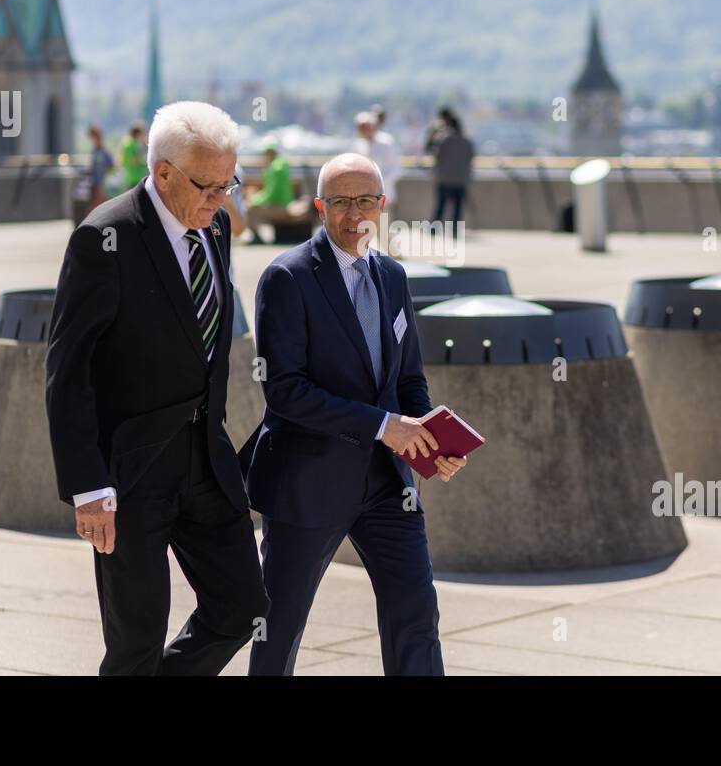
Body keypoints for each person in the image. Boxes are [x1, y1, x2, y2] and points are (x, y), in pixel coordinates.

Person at [46, 100, 268, 676]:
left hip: (207, 466)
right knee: (135, 643)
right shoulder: (104, 237)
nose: (222, 200)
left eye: (230, 183)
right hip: (132, 474)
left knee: (242, 607)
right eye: (208, 185)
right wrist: (88, 485)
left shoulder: (212, 225)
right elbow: (67, 373)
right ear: (163, 172)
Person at [239, 153, 467, 676]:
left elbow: (407, 379)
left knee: (416, 613)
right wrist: (387, 426)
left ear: (382, 206)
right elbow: (285, 393)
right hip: (306, 481)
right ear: (319, 207)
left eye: (365, 200)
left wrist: (431, 437)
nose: (353, 213)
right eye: (340, 201)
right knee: (280, 629)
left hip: (387, 483)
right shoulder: (286, 278)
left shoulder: (392, 275)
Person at [426, 107, 474, 230]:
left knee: (441, 205)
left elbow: (436, 155)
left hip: (445, 178)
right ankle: (454, 230)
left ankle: (434, 229)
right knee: (457, 207)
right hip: (461, 178)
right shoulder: (467, 141)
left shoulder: (443, 139)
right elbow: (470, 158)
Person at [243, 141, 296, 244]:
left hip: (280, 206)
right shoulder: (279, 166)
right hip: (284, 203)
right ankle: (258, 237)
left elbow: (271, 195)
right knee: (249, 207)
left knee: (247, 209)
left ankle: (257, 238)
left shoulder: (275, 169)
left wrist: (253, 200)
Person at [353, 110, 402, 214]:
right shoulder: (358, 145)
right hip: (363, 198)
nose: (362, 131)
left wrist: (377, 183)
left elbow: (395, 169)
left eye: (364, 127)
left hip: (384, 196)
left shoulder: (386, 143)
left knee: (383, 227)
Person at [86, 125, 115, 212]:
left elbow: (111, 165)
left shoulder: (103, 152)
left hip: (102, 183)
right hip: (96, 182)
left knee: (101, 203)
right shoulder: (95, 151)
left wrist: (104, 175)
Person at [119, 120, 148, 188]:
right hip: (136, 178)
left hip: (130, 177)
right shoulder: (131, 144)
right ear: (138, 133)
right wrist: (143, 161)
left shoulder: (127, 142)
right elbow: (133, 161)